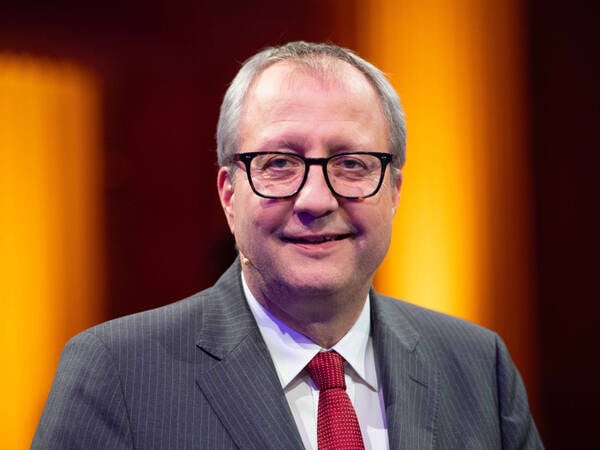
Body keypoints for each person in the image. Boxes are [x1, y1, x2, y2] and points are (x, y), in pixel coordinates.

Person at [32, 41, 543, 449]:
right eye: (279, 163)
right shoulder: (118, 373)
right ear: (229, 196)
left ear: (394, 192)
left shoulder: (480, 366)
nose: (316, 199)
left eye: (352, 163)